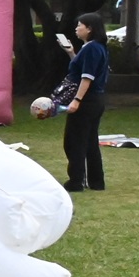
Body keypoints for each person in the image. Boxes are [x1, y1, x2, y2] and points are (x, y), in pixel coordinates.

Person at [49, 12, 110, 193]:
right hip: (96, 99)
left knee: (74, 141)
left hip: (87, 100)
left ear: (89, 29)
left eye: (79, 25)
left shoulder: (91, 48)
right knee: (90, 141)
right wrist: (71, 53)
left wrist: (76, 100)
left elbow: (87, 77)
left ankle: (76, 181)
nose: (76, 29)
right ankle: (96, 182)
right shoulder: (97, 47)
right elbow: (81, 68)